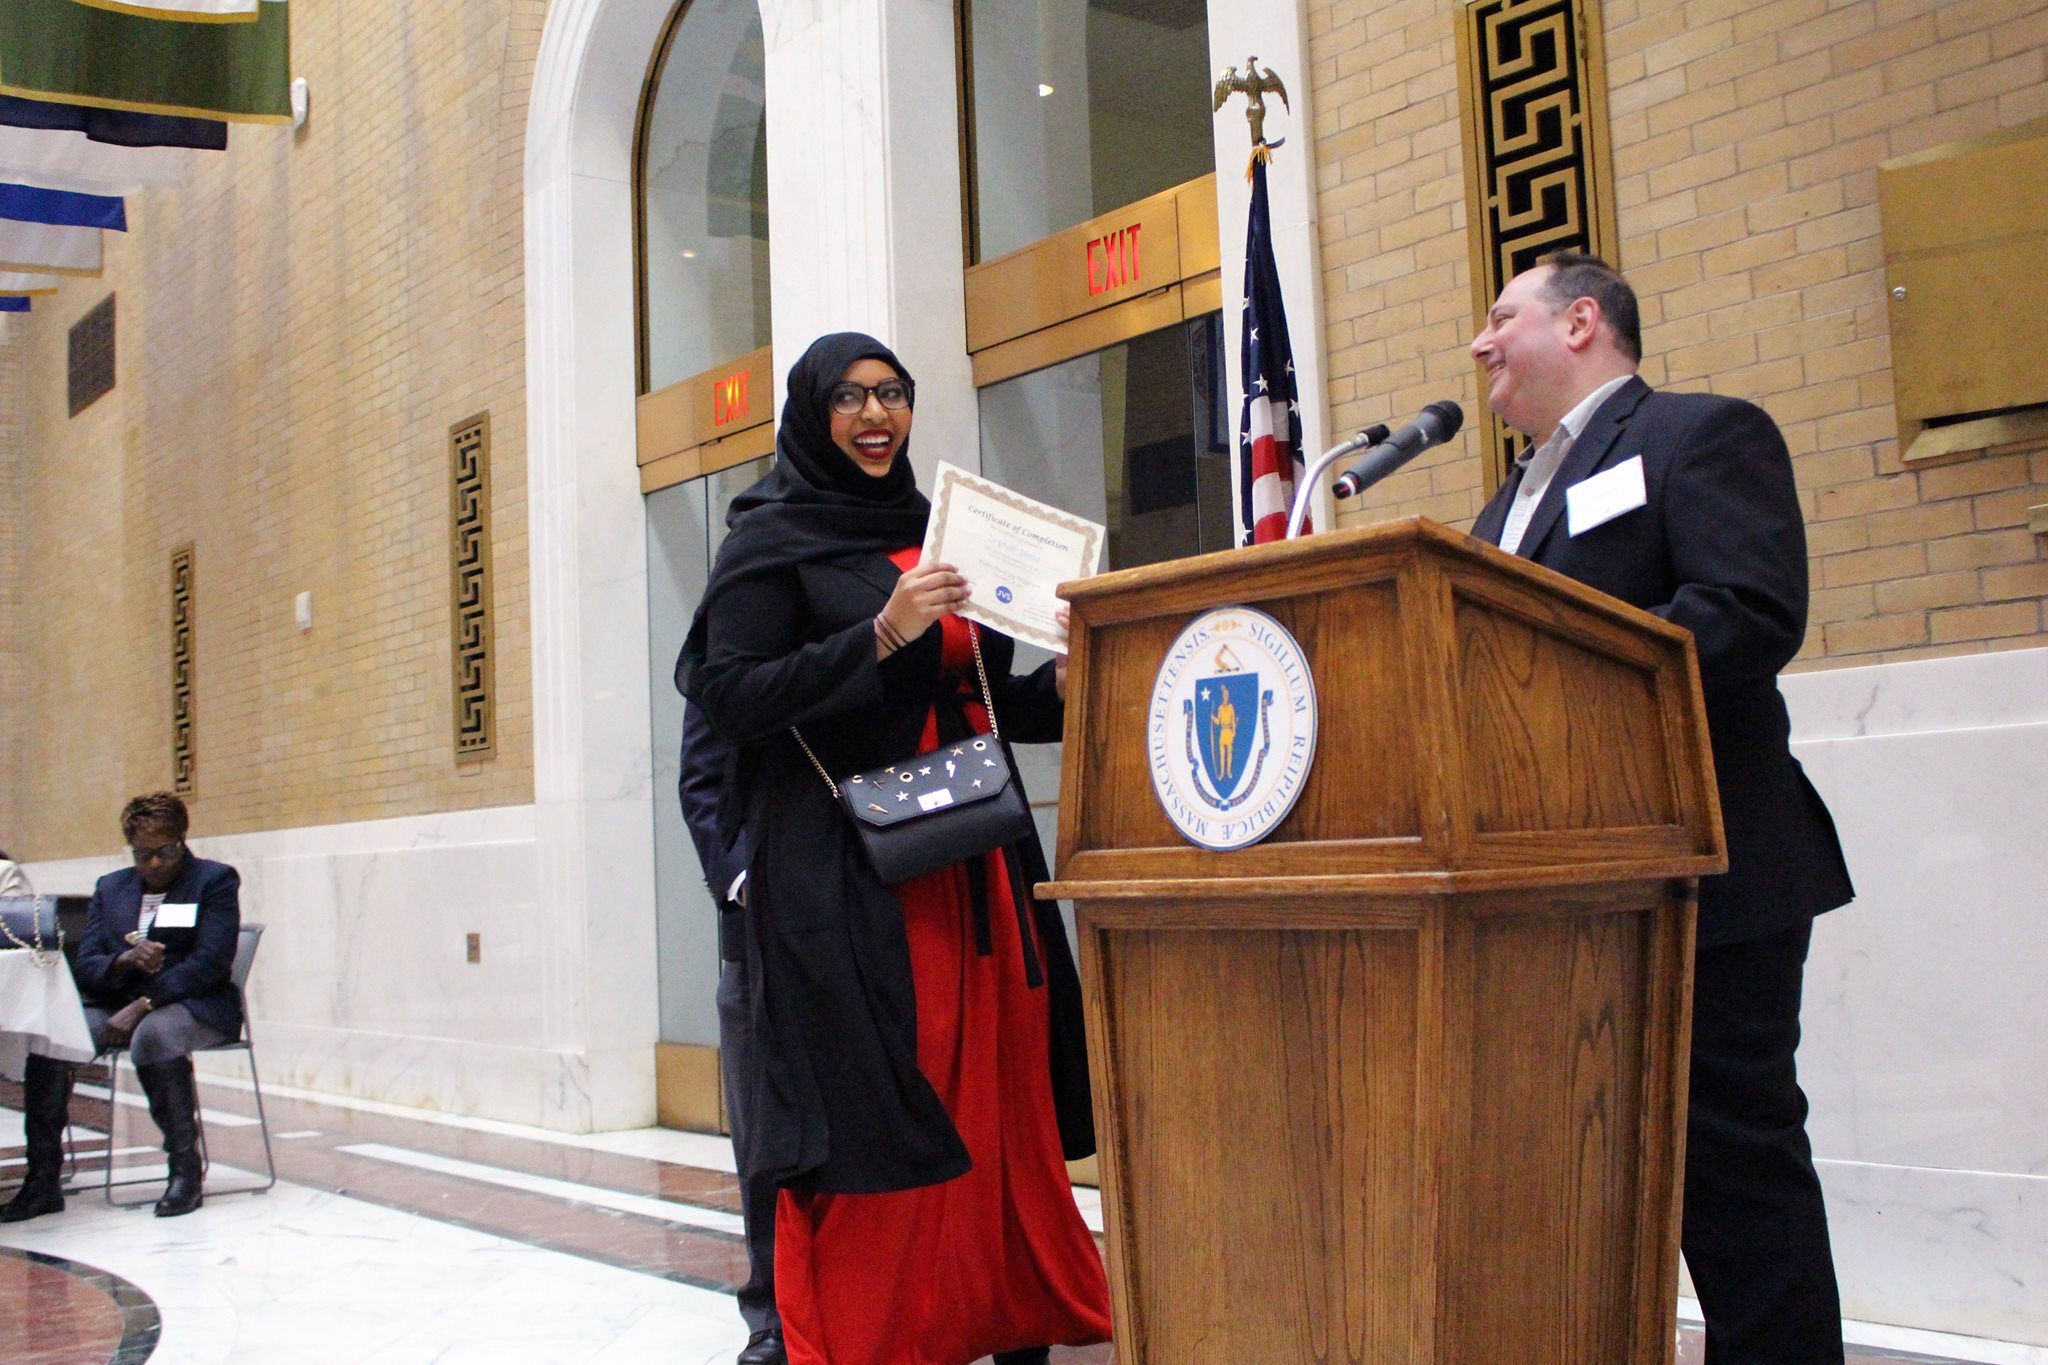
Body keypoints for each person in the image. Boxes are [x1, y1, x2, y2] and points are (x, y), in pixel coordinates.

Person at [678, 332, 1111, 1365]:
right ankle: (871, 1328)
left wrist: (1055, 683)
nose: (876, 417)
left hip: (975, 863)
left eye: (894, 395)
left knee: (997, 1086)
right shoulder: (767, 542)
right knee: (885, 1092)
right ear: (809, 412)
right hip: (851, 879)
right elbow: (725, 693)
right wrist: (876, 633)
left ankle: (1000, 1303)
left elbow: (978, 699)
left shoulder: (941, 529)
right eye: (850, 398)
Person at [1469, 252, 1856, 1364]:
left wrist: (1561, 676)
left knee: (1732, 1176)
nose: (1482, 343)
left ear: (1581, 321)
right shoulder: (1502, 503)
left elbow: (1745, 610)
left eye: (1503, 318)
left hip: (1706, 869)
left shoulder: (1696, 434)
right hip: (1567, 889)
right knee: (1604, 1178)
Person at [0, 791, 242, 1223]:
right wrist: (122, 961)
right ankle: (43, 1180)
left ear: (182, 840)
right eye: (143, 853)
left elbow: (210, 963)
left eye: (165, 851)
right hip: (118, 1002)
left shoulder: (214, 881)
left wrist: (146, 1002)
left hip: (193, 1004)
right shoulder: (111, 888)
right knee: (54, 1037)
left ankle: (185, 1169)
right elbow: (88, 964)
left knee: (154, 1035)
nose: (154, 864)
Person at [678, 698, 784, 1365]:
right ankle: (771, 1311)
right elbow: (703, 777)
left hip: (869, 899)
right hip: (760, 934)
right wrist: (749, 880)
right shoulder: (736, 608)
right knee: (766, 1139)